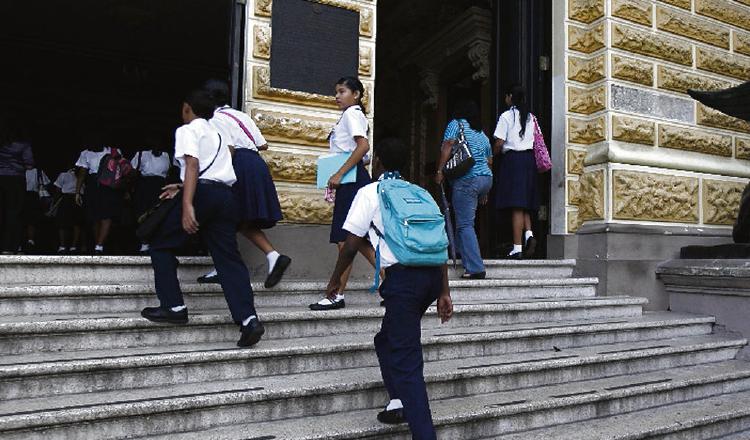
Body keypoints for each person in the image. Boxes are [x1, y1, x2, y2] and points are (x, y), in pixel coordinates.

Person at [325, 138, 453, 439]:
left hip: (405, 283)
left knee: (408, 362)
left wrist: (335, 279)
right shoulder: (420, 193)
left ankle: (424, 433)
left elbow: (351, 244)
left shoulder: (370, 192)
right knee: (386, 340)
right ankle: (397, 401)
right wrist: (444, 291)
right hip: (431, 278)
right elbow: (439, 243)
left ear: (378, 162)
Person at [140, 89, 264, 348]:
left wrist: (187, 203)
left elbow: (193, 164)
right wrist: (183, 186)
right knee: (229, 259)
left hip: (202, 194)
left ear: (187, 108)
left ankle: (173, 307)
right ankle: (248, 320)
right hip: (226, 195)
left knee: (159, 244)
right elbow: (226, 158)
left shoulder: (187, 130)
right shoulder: (219, 130)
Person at [198, 79, 291, 288]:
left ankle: (224, 265)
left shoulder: (214, 118)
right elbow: (263, 144)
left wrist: (215, 174)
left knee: (218, 216)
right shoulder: (241, 115)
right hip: (256, 164)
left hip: (238, 164)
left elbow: (228, 148)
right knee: (240, 220)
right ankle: (273, 256)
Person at [311, 76, 377, 311]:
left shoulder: (351, 114)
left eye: (342, 91)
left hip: (351, 181)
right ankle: (391, 284)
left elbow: (363, 147)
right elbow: (364, 154)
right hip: (354, 179)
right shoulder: (352, 116)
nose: (337, 96)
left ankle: (335, 294)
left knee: (344, 239)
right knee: (360, 240)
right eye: (336, 92)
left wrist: (338, 174)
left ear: (356, 94)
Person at [435, 99, 493, 279]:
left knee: (465, 224)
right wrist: (484, 191)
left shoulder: (456, 124)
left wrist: (439, 170)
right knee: (465, 220)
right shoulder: (481, 133)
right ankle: (461, 252)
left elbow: (448, 145)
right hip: (486, 178)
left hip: (467, 179)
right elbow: (490, 160)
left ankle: (476, 268)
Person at [493, 85, 539, 259]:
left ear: (510, 96)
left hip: (513, 161)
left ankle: (517, 248)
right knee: (524, 201)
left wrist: (491, 156)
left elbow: (499, 142)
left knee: (516, 206)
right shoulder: (530, 117)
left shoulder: (506, 116)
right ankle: (529, 235)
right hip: (529, 160)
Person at [74, 142, 126, 254]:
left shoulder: (113, 151)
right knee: (95, 216)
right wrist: (77, 192)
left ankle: (99, 245)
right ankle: (97, 243)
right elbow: (82, 174)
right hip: (93, 185)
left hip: (109, 185)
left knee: (107, 215)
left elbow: (122, 169)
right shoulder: (86, 153)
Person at [131, 146, 174, 254]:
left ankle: (157, 241)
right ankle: (144, 243)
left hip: (160, 186)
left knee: (159, 213)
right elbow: (132, 171)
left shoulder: (167, 156)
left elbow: (174, 171)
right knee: (142, 213)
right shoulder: (141, 154)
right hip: (144, 186)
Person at [0, 122, 34, 254]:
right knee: (14, 212)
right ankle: (11, 246)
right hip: (15, 179)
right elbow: (30, 164)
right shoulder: (23, 145)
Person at [53, 167, 84, 254]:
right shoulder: (64, 175)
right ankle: (65, 246)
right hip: (67, 198)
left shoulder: (83, 175)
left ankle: (71, 246)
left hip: (77, 199)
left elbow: (57, 189)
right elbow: (58, 189)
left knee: (75, 223)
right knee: (65, 223)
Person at [21, 166, 51, 253]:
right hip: (22, 194)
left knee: (32, 219)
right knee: (22, 219)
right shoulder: (20, 169)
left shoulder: (38, 171)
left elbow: (46, 183)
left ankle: (30, 240)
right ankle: (22, 241)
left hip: (33, 196)